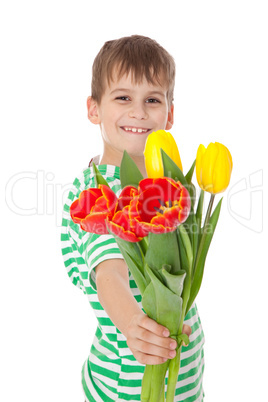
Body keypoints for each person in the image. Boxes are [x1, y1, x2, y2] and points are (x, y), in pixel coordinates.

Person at [61, 35, 205, 401]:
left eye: (152, 100)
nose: (139, 112)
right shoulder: (99, 193)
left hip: (183, 376)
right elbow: (109, 269)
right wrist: (131, 325)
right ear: (94, 109)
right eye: (123, 97)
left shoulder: (167, 188)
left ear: (169, 114)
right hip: (129, 379)